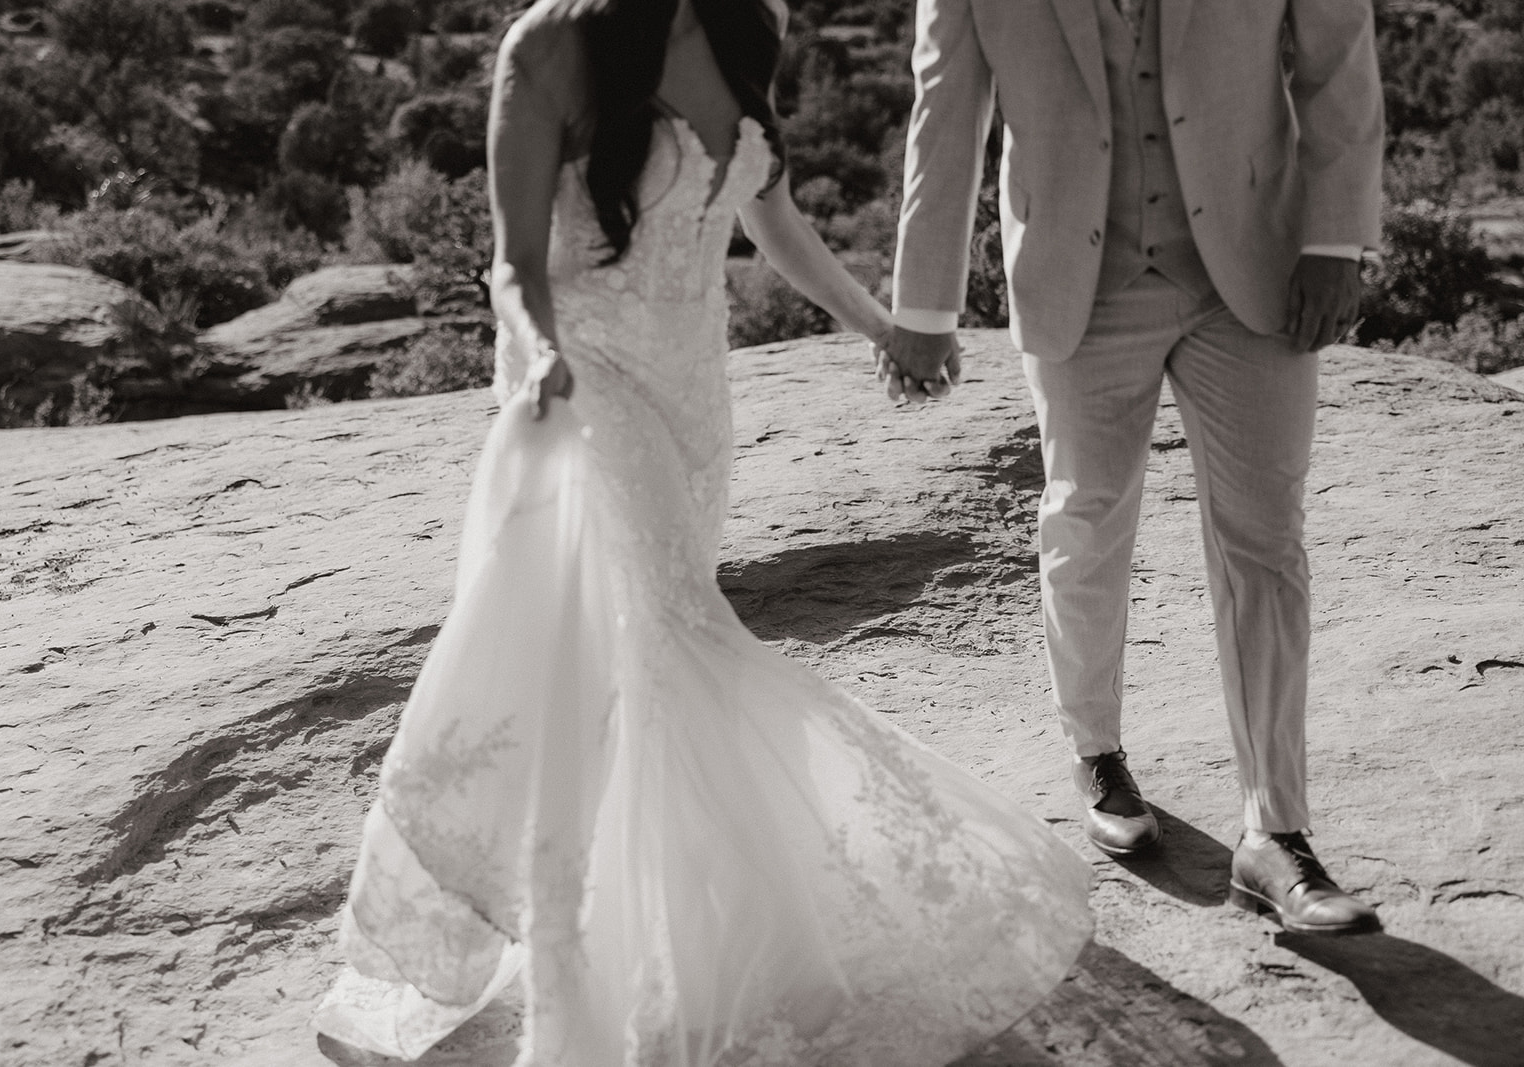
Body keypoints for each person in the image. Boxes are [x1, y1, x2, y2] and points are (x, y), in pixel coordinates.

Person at [311, 0, 1093, 1061]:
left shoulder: (747, 27)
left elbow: (773, 222)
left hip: (692, 401)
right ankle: (594, 980)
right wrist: (540, 356)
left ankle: (657, 937)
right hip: (583, 386)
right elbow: (511, 261)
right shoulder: (549, 45)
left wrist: (885, 330)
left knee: (625, 680)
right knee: (670, 643)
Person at [882, 0, 1385, 935]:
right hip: (1081, 274)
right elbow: (946, 105)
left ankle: (1275, 832)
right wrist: (924, 307)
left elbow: (1336, 60)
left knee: (1265, 541)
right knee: (1086, 513)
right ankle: (1098, 751)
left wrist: (1334, 241)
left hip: (1257, 267)